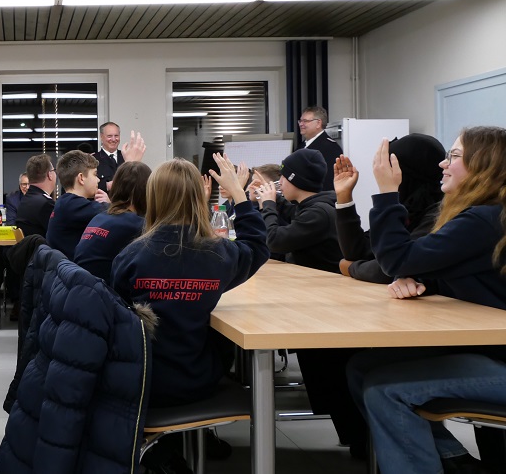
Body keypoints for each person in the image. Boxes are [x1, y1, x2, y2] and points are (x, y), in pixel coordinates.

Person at [347, 127, 506, 474]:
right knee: (362, 368)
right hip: (486, 347)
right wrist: (417, 280)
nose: (443, 164)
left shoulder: (484, 219)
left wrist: (388, 192)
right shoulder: (487, 214)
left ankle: (446, 463)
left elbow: (396, 258)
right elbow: (463, 273)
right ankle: (453, 461)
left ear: (484, 165)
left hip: (496, 356)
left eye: (453, 156)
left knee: (383, 390)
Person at [112, 154, 269, 408]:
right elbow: (257, 248)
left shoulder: (129, 256)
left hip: (142, 380)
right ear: (199, 197)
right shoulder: (218, 254)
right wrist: (239, 194)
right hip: (199, 378)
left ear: (153, 198)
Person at [254, 149, 366, 455]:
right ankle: (355, 438)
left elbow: (275, 240)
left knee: (330, 377)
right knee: (326, 376)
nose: (278, 185)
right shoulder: (310, 207)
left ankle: (359, 441)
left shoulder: (318, 212)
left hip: (328, 308)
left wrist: (266, 205)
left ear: (293, 181)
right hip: (319, 303)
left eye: (281, 179)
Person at [334, 133, 446, 283]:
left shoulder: (440, 212)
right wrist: (344, 196)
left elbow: (393, 266)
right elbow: (359, 251)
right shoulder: (406, 205)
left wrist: (352, 268)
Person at [73, 161, 151, 283]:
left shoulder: (99, 218)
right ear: (146, 191)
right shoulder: (136, 225)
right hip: (103, 296)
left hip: (84, 292)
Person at [44, 151, 109, 258]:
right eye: (95, 174)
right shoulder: (72, 205)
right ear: (81, 178)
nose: (98, 180)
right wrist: (108, 203)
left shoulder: (64, 202)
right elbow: (115, 212)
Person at [297, 106, 343, 191]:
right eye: (300, 121)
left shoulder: (330, 148)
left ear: (318, 123)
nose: (301, 124)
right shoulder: (302, 146)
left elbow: (329, 182)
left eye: (305, 121)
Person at [15, 154, 56, 239]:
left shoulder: (26, 199)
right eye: (54, 170)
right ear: (49, 175)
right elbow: (59, 235)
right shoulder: (46, 204)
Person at [92, 121, 124, 192]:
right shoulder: (93, 160)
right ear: (101, 137)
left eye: (116, 136)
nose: (113, 139)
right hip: (102, 201)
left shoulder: (126, 157)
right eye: (109, 136)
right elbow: (87, 185)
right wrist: (106, 185)